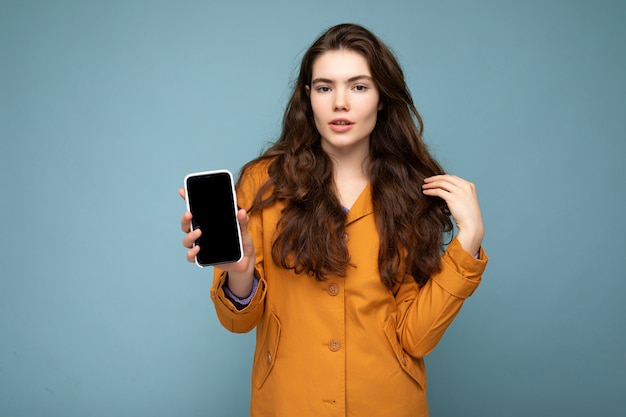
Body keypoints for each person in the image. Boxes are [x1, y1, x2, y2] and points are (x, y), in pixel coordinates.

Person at [179, 23, 488, 417]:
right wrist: (240, 274)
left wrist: (469, 242)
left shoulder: (412, 192)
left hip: (386, 403)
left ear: (381, 98)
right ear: (308, 98)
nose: (340, 103)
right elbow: (239, 323)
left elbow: (416, 336)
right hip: (290, 403)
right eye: (325, 87)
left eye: (359, 87)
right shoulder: (264, 182)